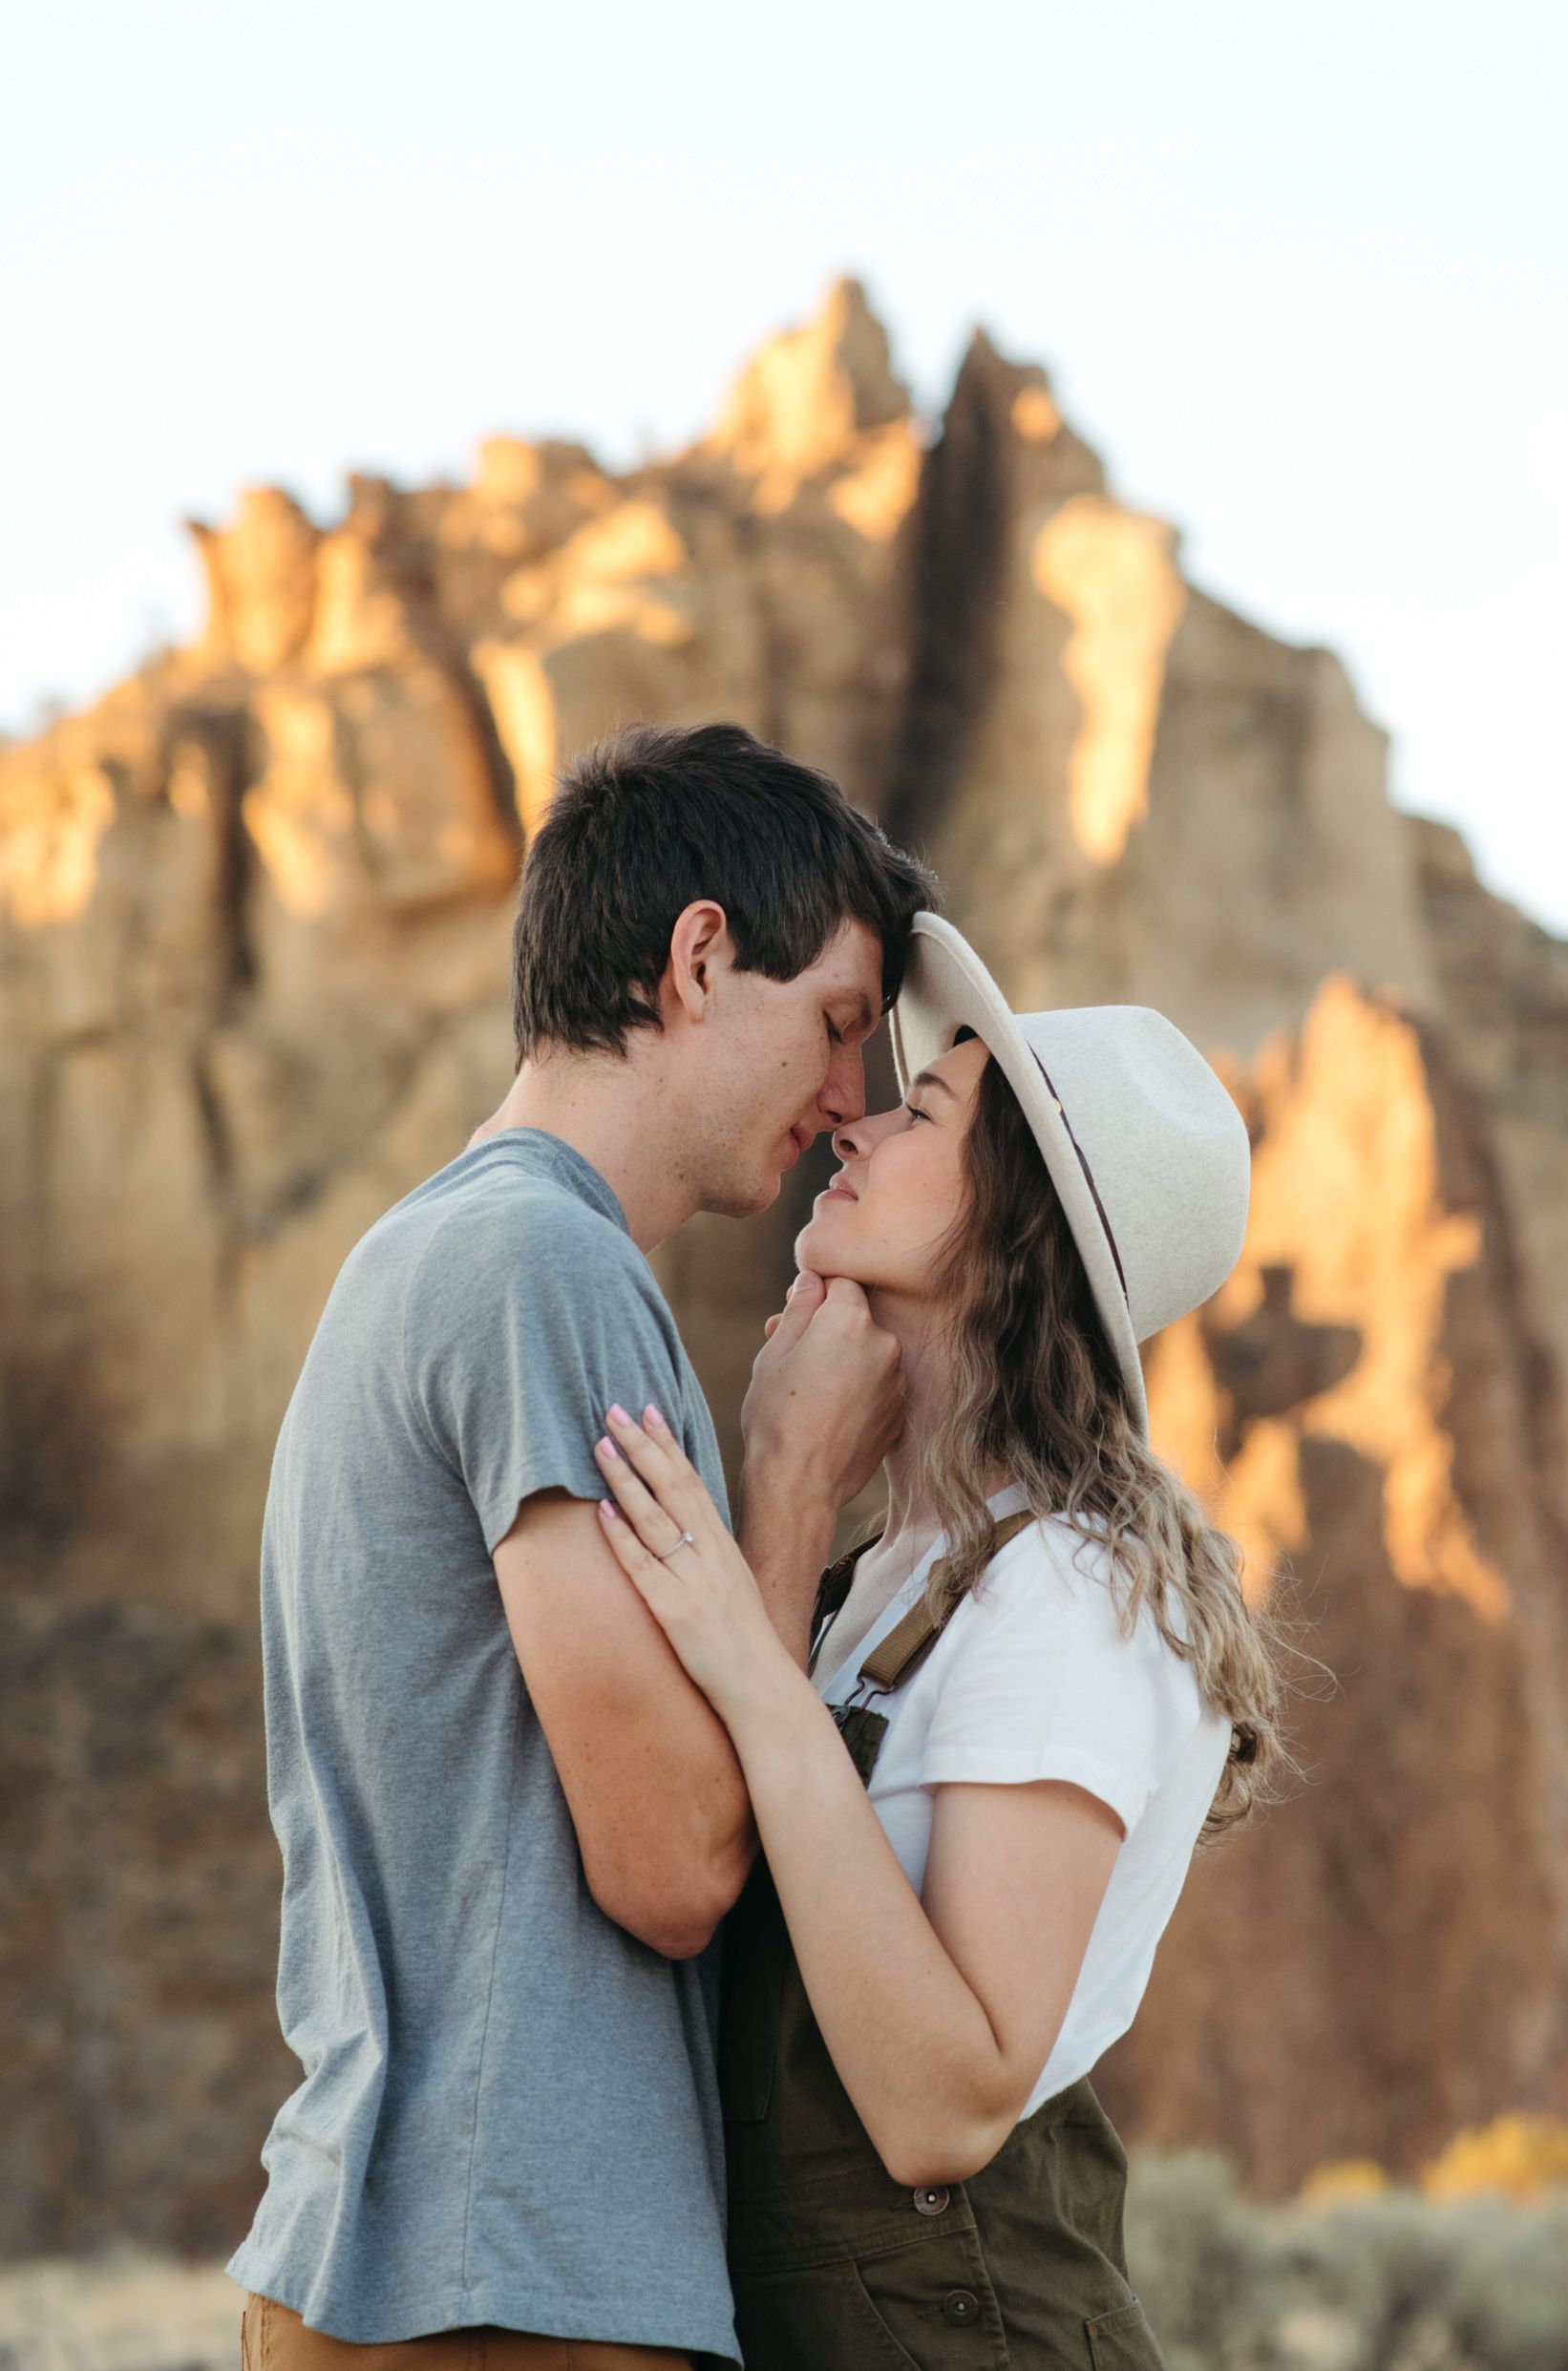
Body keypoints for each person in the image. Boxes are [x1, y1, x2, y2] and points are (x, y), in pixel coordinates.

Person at [227, 724, 938, 2371]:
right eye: (835, 1023)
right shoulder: (547, 1266)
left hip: (430, 2265)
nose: (848, 1099)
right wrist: (790, 1482)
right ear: (699, 959)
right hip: (508, 2286)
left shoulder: (437, 1252)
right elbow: (677, 1865)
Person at [590, 913, 1287, 2370]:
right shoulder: (887, 1579)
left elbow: (945, 2105)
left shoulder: (1073, 1592)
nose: (854, 1128)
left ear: (1009, 1218)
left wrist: (736, 1640)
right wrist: (779, 1504)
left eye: (924, 1114)